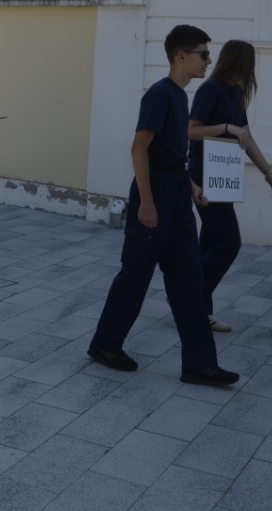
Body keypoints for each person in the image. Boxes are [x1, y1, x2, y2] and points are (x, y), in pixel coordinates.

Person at [87, 24, 240, 387]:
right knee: (136, 274)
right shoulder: (159, 94)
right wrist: (147, 202)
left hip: (176, 191)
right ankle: (105, 345)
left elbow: (171, 153)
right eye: (203, 54)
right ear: (180, 56)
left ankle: (199, 365)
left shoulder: (181, 97)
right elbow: (139, 148)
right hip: (154, 191)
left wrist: (191, 185)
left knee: (189, 279)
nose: (208, 61)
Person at [188, 40, 272, 332]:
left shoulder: (236, 93)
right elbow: (190, 131)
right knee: (229, 242)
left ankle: (198, 311)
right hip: (205, 173)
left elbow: (247, 138)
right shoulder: (211, 90)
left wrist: (268, 173)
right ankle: (187, 297)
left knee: (210, 243)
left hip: (224, 174)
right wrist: (225, 128)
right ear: (241, 62)